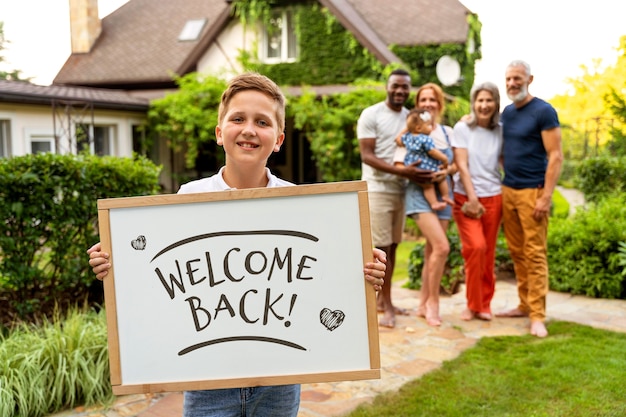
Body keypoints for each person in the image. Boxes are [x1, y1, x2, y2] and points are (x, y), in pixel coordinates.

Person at [87, 72, 387, 417]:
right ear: (219, 133)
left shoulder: (300, 203)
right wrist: (115, 263)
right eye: (238, 119)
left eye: (262, 122)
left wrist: (364, 271)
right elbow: (157, 272)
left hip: (281, 374)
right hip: (208, 378)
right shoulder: (188, 198)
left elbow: (325, 278)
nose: (249, 129)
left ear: (278, 139)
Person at [357, 69, 435, 329]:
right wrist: (402, 171)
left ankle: (383, 302)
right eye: (396, 86)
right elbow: (367, 155)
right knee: (382, 251)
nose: (400, 91)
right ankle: (385, 305)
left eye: (405, 87)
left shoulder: (410, 117)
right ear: (387, 87)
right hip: (377, 189)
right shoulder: (372, 114)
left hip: (402, 189)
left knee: (395, 246)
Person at [495, 60, 563, 338]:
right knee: (517, 251)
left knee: (535, 254)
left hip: (533, 192)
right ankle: (524, 304)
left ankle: (537, 315)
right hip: (508, 190)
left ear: (529, 79)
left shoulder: (544, 111)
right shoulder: (507, 113)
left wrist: (546, 197)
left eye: (517, 79)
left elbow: (556, 156)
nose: (512, 83)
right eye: (509, 79)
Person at [394, 83, 456, 327]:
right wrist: (420, 174)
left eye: (433, 99)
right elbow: (399, 165)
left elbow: (454, 166)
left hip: (443, 194)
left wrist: (444, 172)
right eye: (424, 100)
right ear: (418, 105)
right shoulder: (410, 132)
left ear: (439, 104)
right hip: (420, 195)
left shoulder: (447, 133)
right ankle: (434, 304)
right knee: (442, 247)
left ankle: (422, 304)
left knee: (433, 250)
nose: (428, 103)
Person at [451, 82, 503, 322]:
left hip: (494, 196)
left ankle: (483, 304)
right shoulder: (462, 128)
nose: (484, 105)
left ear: (496, 104)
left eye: (489, 100)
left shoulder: (501, 129)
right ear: (473, 102)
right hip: (466, 198)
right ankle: (472, 303)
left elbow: (504, 161)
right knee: (475, 248)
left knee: (488, 253)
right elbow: (461, 164)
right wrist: (472, 198)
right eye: (480, 100)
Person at [398, 108, 452, 211]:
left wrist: (408, 128)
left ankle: (434, 203)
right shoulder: (425, 138)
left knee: (427, 187)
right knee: (441, 179)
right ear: (418, 128)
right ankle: (445, 196)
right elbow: (432, 151)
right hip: (427, 167)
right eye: (428, 125)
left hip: (414, 168)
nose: (431, 128)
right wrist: (444, 159)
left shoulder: (407, 137)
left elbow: (398, 140)